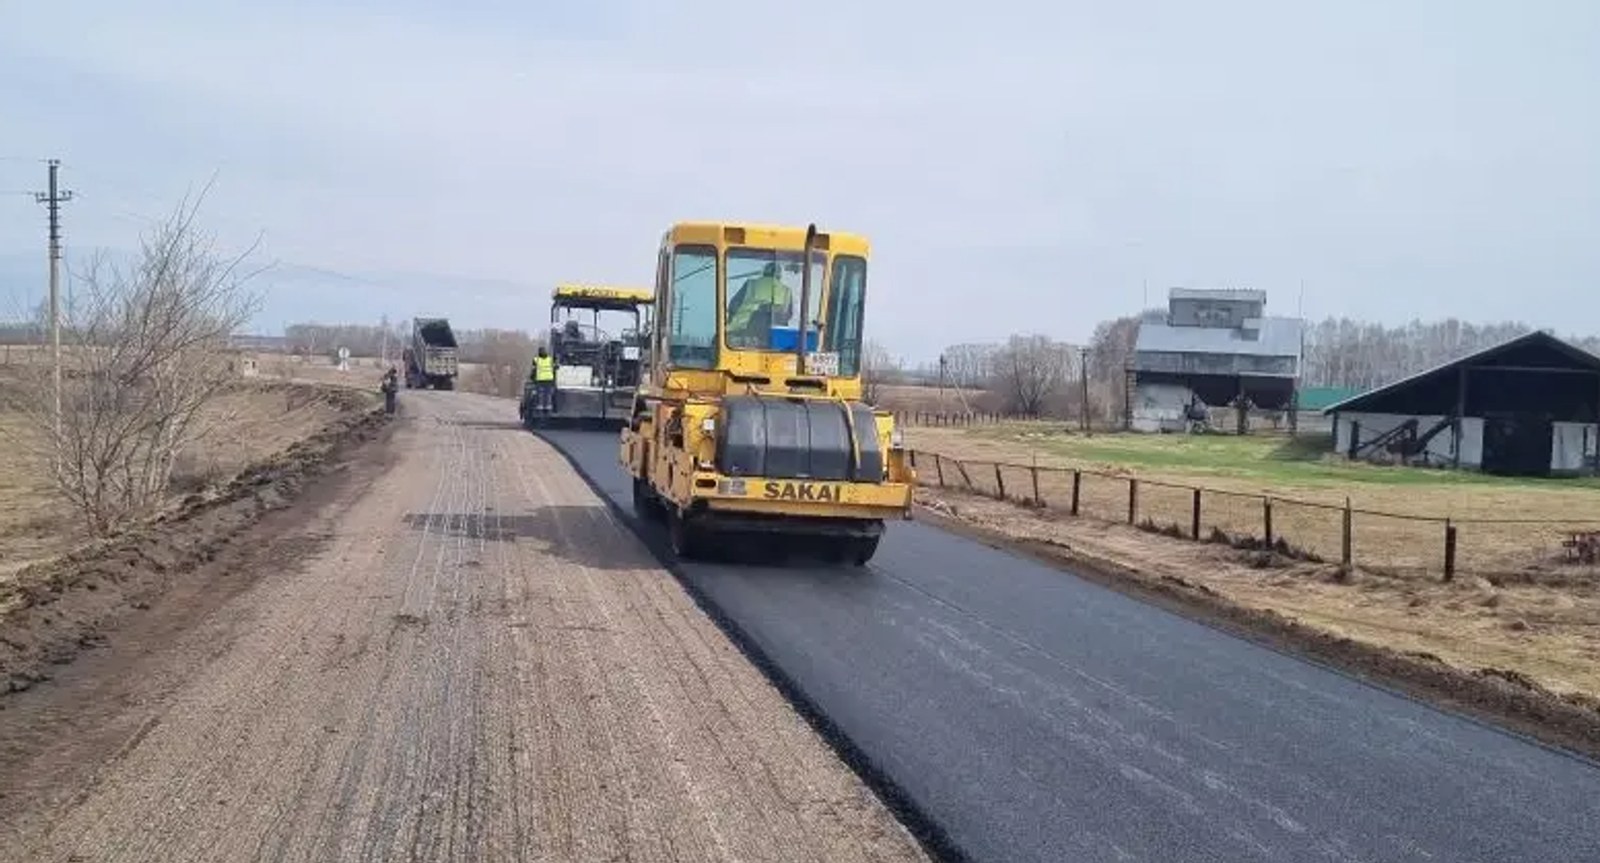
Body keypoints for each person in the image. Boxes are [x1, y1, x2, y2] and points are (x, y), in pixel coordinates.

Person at [725, 262, 793, 348]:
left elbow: (733, 306)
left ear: (764, 272)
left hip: (744, 333)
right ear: (779, 276)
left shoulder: (751, 284)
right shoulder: (787, 291)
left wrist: (730, 321)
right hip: (774, 340)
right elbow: (789, 314)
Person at [531, 346, 557, 412]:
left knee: (540, 393)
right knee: (548, 393)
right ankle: (548, 407)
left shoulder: (536, 359)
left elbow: (533, 370)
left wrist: (532, 377)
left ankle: (540, 407)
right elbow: (555, 367)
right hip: (549, 379)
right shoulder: (550, 359)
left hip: (540, 379)